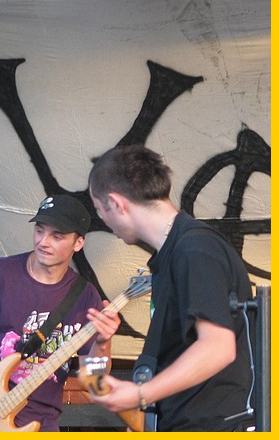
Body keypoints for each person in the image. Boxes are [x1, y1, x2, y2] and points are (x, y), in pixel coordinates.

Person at [87, 144, 254, 432]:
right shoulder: (173, 253)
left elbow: (218, 347)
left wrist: (141, 394)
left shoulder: (195, 250)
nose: (104, 220)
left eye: (100, 210)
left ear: (116, 203)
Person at [0, 195, 121, 432]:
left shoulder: (86, 297)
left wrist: (103, 342)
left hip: (43, 426)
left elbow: (94, 382)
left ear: (78, 243)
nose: (43, 242)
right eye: (39, 230)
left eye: (57, 236)